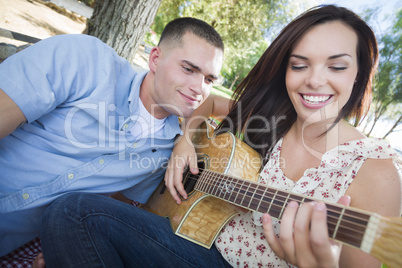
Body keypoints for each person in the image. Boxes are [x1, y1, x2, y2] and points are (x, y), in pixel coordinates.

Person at [41, 5, 401, 268]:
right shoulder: (276, 116)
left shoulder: (376, 169)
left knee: (74, 217)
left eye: (336, 66)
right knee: (73, 212)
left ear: (359, 74)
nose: (314, 80)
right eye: (299, 64)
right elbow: (209, 101)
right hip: (193, 237)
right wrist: (185, 141)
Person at [0, 17, 227, 258]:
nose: (199, 88)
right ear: (155, 59)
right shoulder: (86, 61)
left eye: (209, 80)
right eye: (189, 69)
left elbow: (110, 212)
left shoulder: (164, 154)